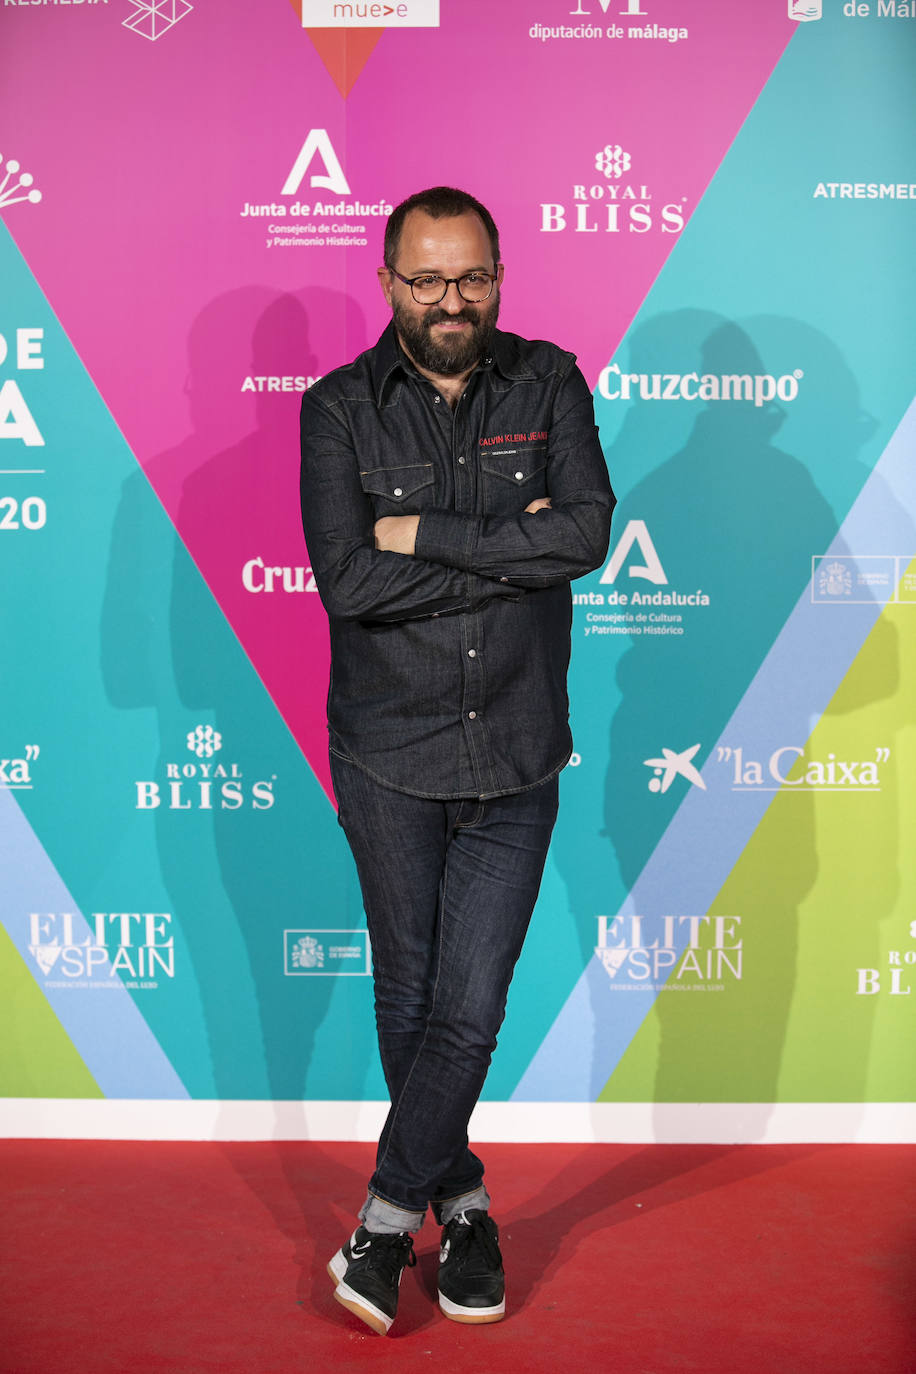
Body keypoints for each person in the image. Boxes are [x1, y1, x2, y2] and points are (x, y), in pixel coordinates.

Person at [299, 186, 614, 1336]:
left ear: (499, 274)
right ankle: (466, 1204)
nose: (451, 301)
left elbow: (581, 533)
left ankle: (386, 1223)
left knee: (468, 1009)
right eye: (426, 280)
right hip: (388, 750)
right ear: (388, 283)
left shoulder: (549, 382)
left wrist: (420, 534)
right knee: (412, 996)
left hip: (519, 748)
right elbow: (346, 581)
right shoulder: (336, 409)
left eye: (471, 277)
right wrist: (507, 549)